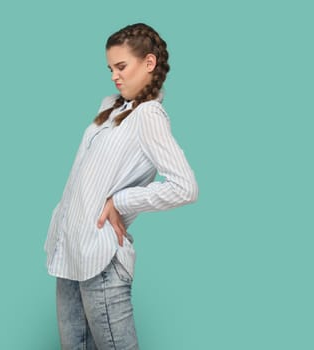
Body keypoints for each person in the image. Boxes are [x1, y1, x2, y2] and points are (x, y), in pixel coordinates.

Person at [44, 23, 198, 349]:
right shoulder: (109, 107)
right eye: (111, 68)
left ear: (149, 63)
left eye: (122, 66)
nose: (115, 75)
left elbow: (186, 187)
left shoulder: (149, 115)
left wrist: (121, 201)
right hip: (70, 252)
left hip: (101, 257)